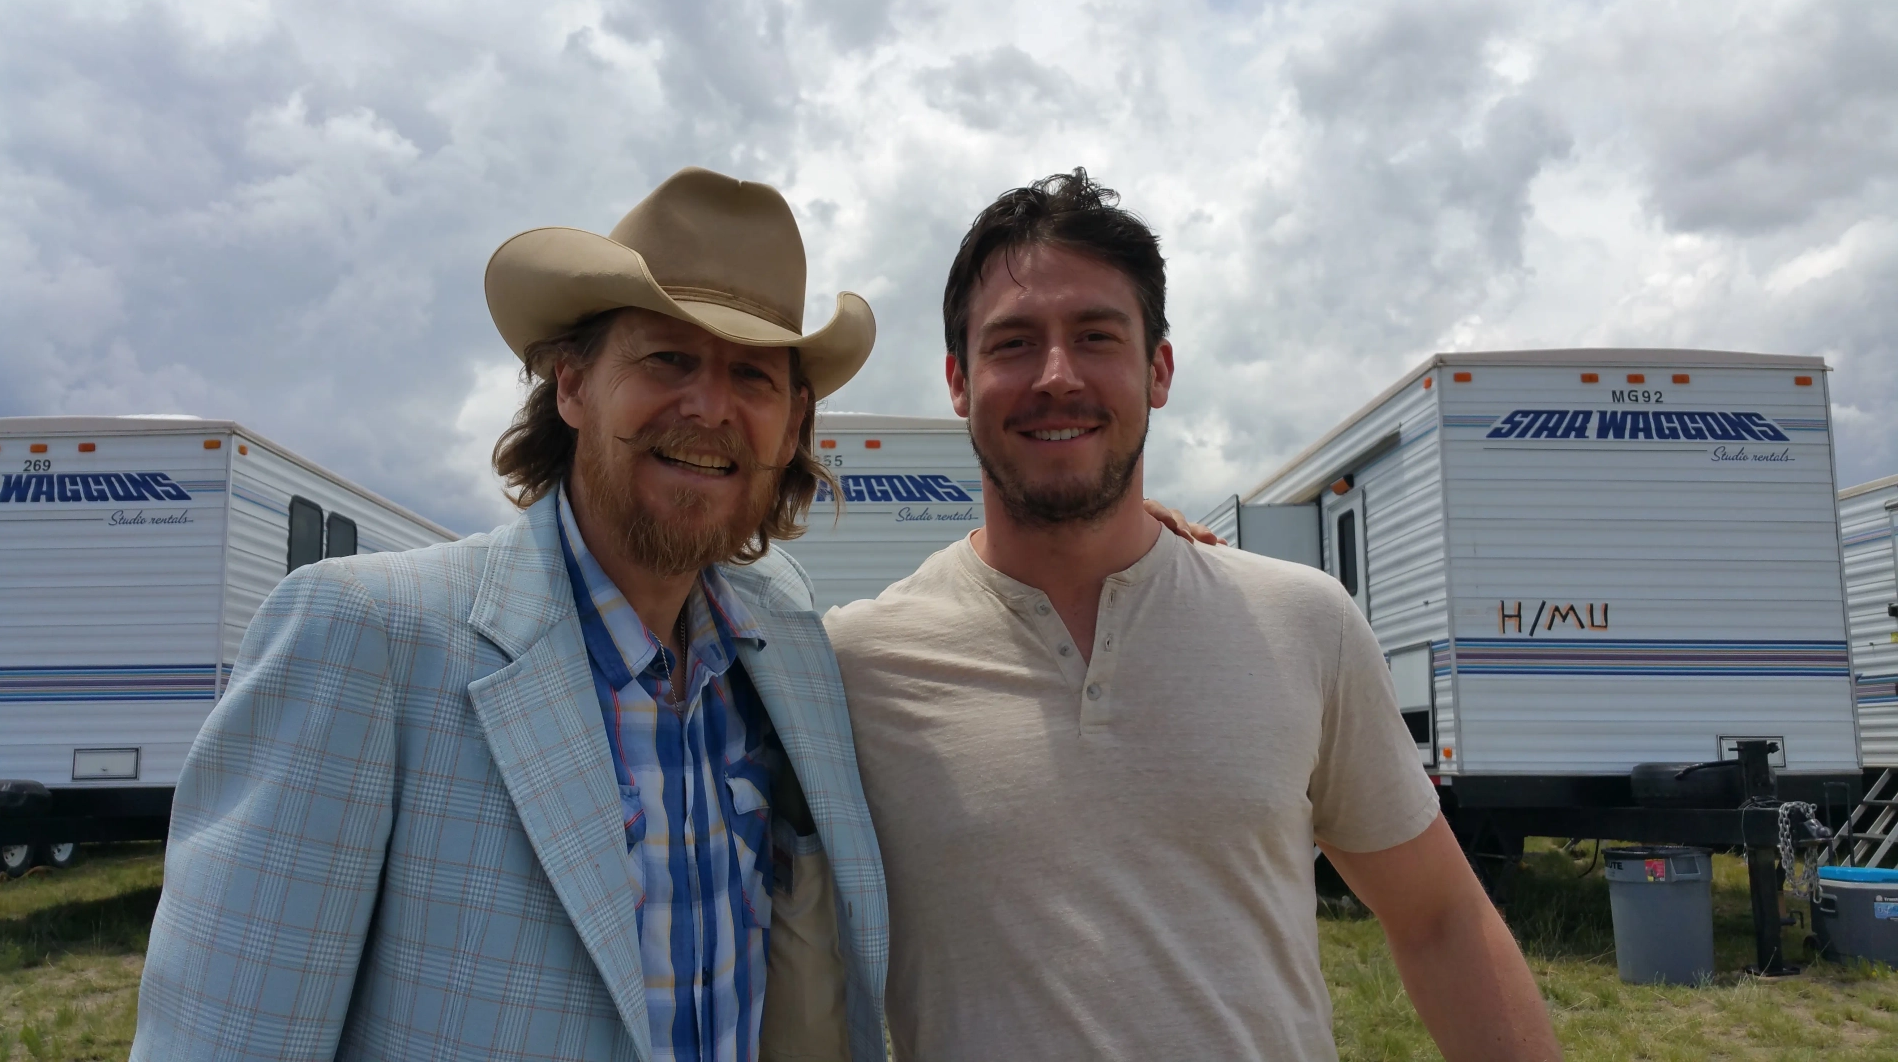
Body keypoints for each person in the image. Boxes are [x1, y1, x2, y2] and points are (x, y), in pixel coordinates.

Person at [134, 167, 889, 1062]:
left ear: (793, 422)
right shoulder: (366, 638)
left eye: (754, 377)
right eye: (668, 359)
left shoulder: (785, 648)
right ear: (571, 386)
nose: (711, 408)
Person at [824, 170, 1562, 1061]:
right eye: (1013, 343)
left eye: (1096, 336)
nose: (1057, 376)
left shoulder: (1303, 623)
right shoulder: (854, 665)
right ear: (957, 379)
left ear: (1158, 368)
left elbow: (1440, 917)